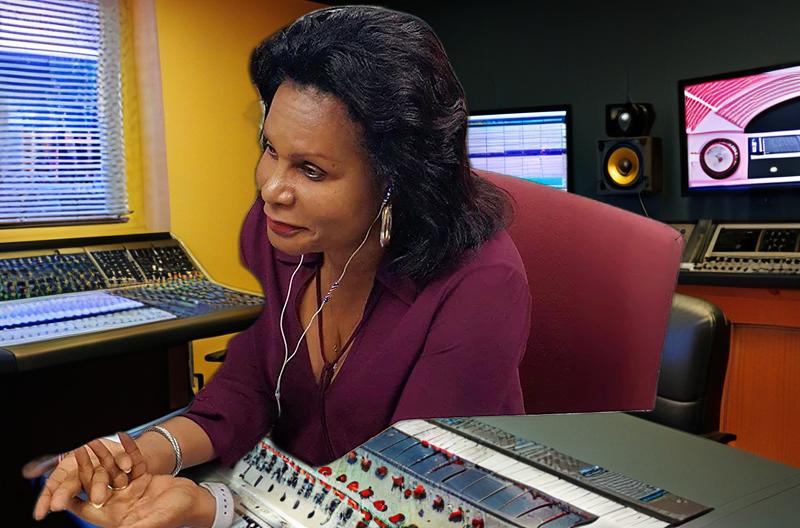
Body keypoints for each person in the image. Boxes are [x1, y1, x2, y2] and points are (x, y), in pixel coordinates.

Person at [24, 5, 532, 526]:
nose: (271, 190)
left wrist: (219, 511)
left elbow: (415, 500)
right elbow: (251, 386)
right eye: (271, 148)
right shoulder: (282, 236)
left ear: (395, 180)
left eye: (311, 170)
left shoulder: (481, 287)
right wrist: (143, 453)